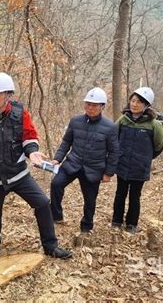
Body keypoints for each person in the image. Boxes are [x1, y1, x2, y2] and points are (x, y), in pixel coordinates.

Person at [0, 72, 72, 259]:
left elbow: (29, 136)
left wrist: (32, 151)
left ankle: (50, 246)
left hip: (18, 174)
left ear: (8, 95)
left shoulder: (20, 113)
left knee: (43, 203)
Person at [50, 87, 119, 233]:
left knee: (90, 200)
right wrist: (57, 159)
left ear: (102, 107)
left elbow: (114, 152)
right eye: (88, 104)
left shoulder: (110, 127)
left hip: (93, 168)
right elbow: (66, 142)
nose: (90, 108)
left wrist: (108, 173)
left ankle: (86, 226)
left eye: (94, 105)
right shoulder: (76, 121)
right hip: (72, 163)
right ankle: (56, 216)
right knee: (56, 184)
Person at [111, 87, 163, 233]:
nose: (134, 104)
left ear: (147, 105)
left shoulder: (154, 124)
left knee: (135, 196)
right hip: (122, 165)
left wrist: (145, 158)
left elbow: (159, 146)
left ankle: (131, 224)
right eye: (133, 101)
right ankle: (116, 221)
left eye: (139, 102)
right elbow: (113, 138)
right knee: (120, 193)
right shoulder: (123, 120)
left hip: (140, 167)